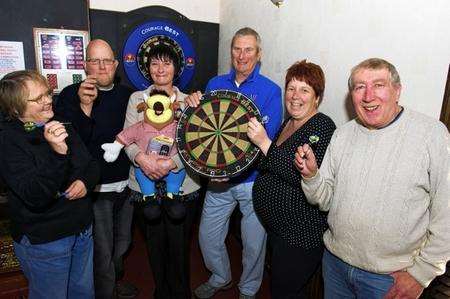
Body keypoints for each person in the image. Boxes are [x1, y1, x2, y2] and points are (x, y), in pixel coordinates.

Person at [295, 58, 450, 299]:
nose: (368, 96)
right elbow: (325, 201)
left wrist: (422, 274)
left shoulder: (432, 135)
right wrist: (312, 176)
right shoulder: (342, 135)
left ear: (397, 91)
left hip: (390, 279)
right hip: (335, 265)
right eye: (359, 87)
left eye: (378, 85)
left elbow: (447, 214)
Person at [186, 27, 283, 299]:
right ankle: (221, 276)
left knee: (254, 245)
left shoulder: (271, 91)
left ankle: (249, 290)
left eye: (248, 49)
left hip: (253, 182)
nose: (242, 55)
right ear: (231, 52)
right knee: (207, 237)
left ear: (258, 53)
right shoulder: (214, 84)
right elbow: (205, 132)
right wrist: (193, 103)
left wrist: (233, 172)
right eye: (237, 49)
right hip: (217, 182)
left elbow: (267, 142)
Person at [0, 70, 99, 298]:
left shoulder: (59, 121)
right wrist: (58, 154)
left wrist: (85, 181)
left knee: (83, 293)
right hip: (46, 240)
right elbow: (35, 195)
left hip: (82, 231)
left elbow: (91, 165)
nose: (48, 101)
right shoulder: (8, 140)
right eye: (38, 98)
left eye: (47, 93)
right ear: (15, 109)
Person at [55, 39, 137, 299]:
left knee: (122, 242)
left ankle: (112, 282)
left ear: (115, 64)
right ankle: (106, 291)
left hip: (127, 184)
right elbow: (70, 143)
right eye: (94, 61)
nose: (101, 67)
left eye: (106, 61)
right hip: (95, 188)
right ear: (85, 64)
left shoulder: (128, 96)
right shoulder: (70, 94)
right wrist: (86, 106)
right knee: (101, 249)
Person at [248, 60, 336, 298]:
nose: (295, 96)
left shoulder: (323, 126)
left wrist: (264, 143)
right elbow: (270, 163)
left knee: (283, 291)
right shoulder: (289, 122)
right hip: (278, 230)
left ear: (317, 97)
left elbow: (303, 176)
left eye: (305, 90)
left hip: (299, 235)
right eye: (291, 88)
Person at [124, 43, 201, 299]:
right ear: (147, 68)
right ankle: (161, 293)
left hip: (181, 186)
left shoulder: (187, 101)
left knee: (179, 249)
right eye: (155, 63)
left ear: (177, 68)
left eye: (166, 63)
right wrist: (142, 160)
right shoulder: (137, 99)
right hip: (144, 186)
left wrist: (172, 164)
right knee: (154, 247)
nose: (160, 69)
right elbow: (128, 139)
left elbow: (194, 143)